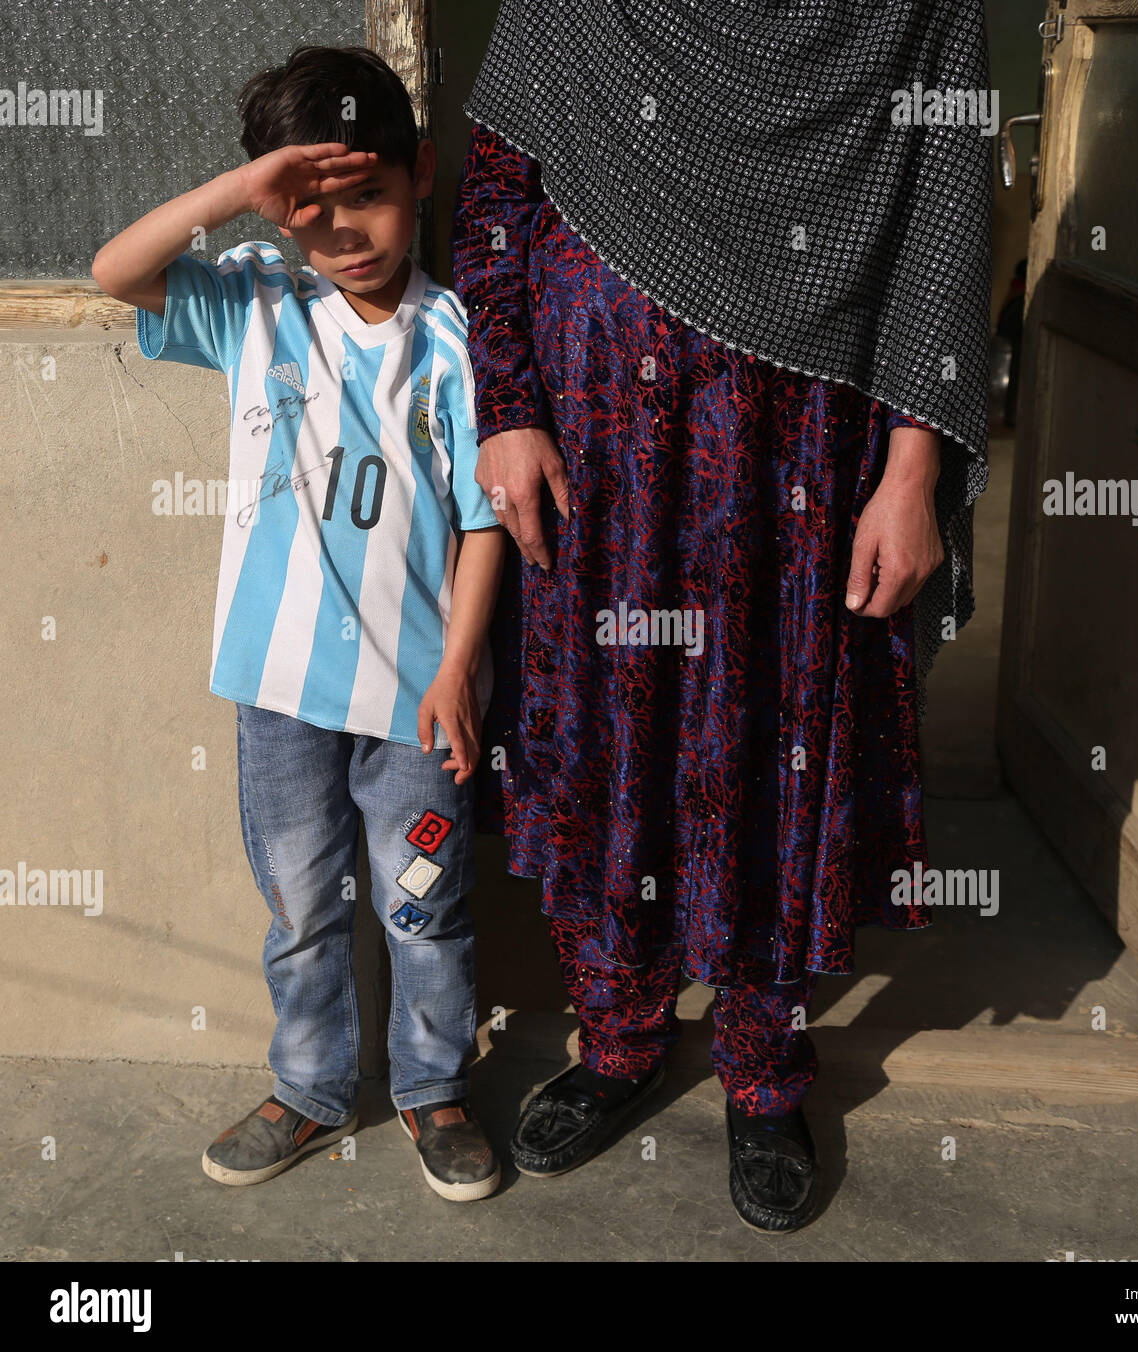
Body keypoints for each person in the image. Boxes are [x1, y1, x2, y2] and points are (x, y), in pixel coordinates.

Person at [452, 1, 992, 1233]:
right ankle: (620, 1040)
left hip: (798, 461)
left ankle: (762, 1070)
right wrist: (506, 406)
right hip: (597, 461)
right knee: (611, 752)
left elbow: (946, 221)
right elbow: (495, 192)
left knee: (774, 749)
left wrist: (912, 479)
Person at [92, 45, 506, 1201]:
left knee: (424, 910)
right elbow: (114, 269)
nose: (348, 235)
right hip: (277, 701)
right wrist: (243, 196)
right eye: (315, 215)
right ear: (282, 215)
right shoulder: (258, 310)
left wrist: (461, 667)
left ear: (420, 174)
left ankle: (433, 1088)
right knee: (300, 908)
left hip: (417, 703)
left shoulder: (460, 343)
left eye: (368, 197)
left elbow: (483, 523)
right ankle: (313, 1087)